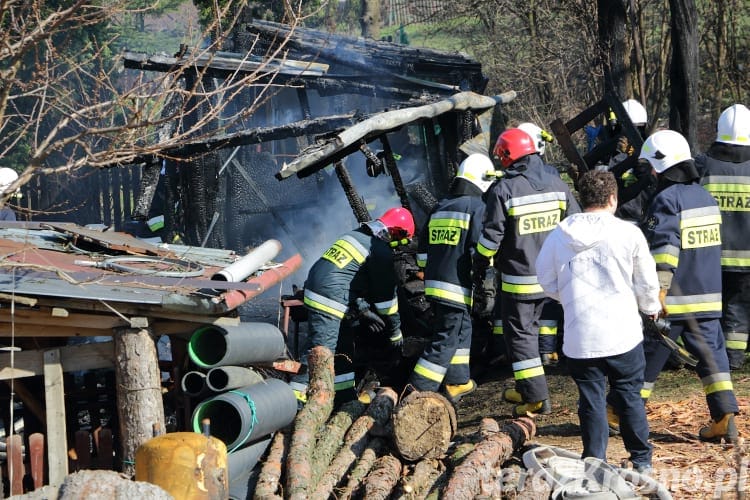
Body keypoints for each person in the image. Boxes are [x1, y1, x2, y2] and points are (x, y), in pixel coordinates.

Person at [536, 170, 659, 473]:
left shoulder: (558, 236)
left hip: (581, 336)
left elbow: (545, 280)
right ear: (613, 198)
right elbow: (646, 281)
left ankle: (594, 462)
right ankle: (641, 460)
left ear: (581, 199)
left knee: (590, 401)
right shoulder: (628, 233)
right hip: (623, 334)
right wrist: (650, 307)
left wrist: (570, 298)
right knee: (629, 396)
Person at [639, 129, 739, 443]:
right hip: (708, 300)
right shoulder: (705, 197)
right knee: (714, 359)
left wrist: (659, 291)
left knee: (649, 356)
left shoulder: (666, 200)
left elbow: (666, 249)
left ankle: (618, 410)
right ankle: (724, 417)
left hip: (675, 300)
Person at [475, 127, 581, 417]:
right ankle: (527, 389)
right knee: (539, 333)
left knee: (521, 337)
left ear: (508, 156)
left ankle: (535, 398)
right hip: (556, 278)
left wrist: (477, 261)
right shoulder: (558, 184)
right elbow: (575, 225)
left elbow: (490, 241)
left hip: (520, 282)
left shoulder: (504, 190)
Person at [291, 207, 415, 404]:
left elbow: (345, 277)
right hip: (329, 300)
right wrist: (395, 332)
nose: (400, 245)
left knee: (343, 350)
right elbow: (386, 301)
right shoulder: (379, 250)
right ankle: (295, 404)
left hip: (321, 290)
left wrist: (362, 308)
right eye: (403, 239)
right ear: (397, 232)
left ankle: (344, 399)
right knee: (322, 354)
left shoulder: (356, 235)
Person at [410, 154, 492, 402]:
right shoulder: (477, 208)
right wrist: (485, 283)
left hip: (434, 286)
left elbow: (422, 253)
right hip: (455, 287)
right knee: (444, 341)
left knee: (462, 329)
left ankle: (458, 381)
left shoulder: (440, 207)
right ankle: (416, 393)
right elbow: (481, 250)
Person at [697, 104, 750, 370]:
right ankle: (735, 357)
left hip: (709, 256)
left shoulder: (704, 165)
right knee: (738, 307)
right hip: (746, 259)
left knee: (711, 309)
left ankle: (712, 357)